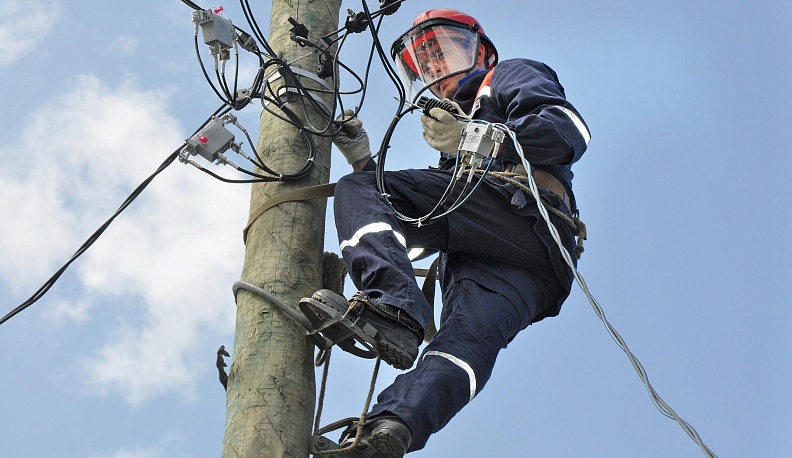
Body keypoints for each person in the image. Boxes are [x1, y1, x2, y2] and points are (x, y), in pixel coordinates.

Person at [317, 8, 590, 457]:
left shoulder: (506, 77)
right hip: (518, 265)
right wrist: (363, 158)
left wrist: (475, 137)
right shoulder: (454, 142)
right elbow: (427, 208)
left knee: (359, 192)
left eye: (441, 50)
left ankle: (395, 310)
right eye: (424, 62)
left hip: (524, 218)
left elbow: (568, 132)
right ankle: (390, 431)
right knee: (463, 344)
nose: (434, 66)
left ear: (478, 50)